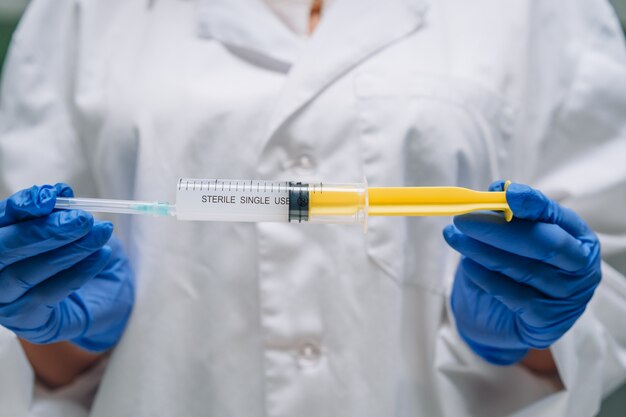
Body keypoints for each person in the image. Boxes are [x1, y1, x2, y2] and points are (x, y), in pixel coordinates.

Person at [0, 0, 625, 416]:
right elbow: (18, 276)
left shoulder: (548, 11)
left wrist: (532, 335)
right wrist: (58, 334)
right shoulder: (81, 13)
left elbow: (611, 278)